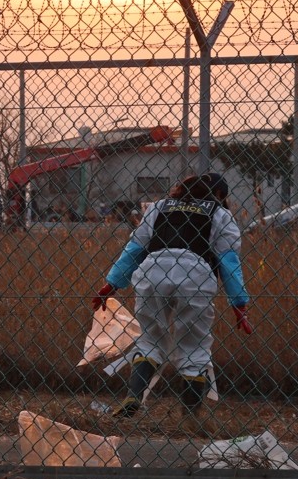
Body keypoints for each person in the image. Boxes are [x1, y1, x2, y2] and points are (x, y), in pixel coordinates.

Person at [91, 172, 252, 435]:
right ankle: (190, 417)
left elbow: (135, 249)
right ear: (220, 195)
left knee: (151, 340)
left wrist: (111, 284)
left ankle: (135, 394)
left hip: (152, 271)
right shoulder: (220, 215)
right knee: (194, 346)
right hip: (196, 275)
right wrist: (239, 304)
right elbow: (228, 261)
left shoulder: (158, 207)